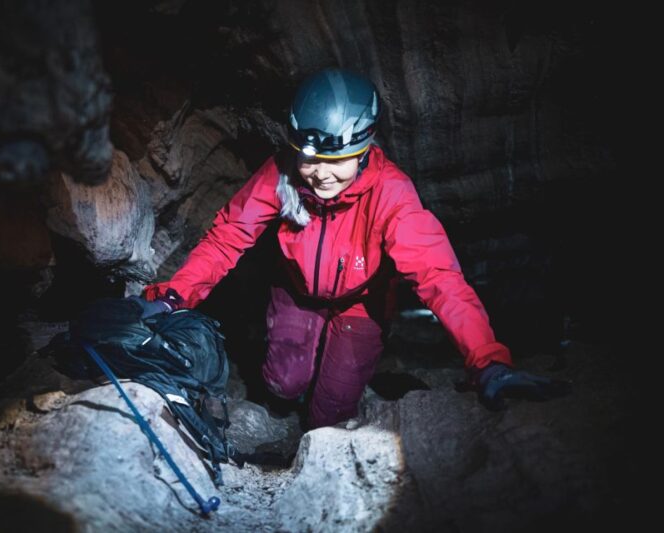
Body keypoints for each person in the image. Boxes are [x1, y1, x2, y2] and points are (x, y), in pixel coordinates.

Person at [141, 68, 569, 428]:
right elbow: (228, 236)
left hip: (361, 302)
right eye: (309, 160)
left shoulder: (391, 193)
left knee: (330, 413)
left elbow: (438, 277)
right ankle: (279, 407)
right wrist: (172, 297)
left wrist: (486, 360)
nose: (319, 176)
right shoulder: (283, 173)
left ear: (364, 150)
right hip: (296, 289)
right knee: (283, 383)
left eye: (336, 162)